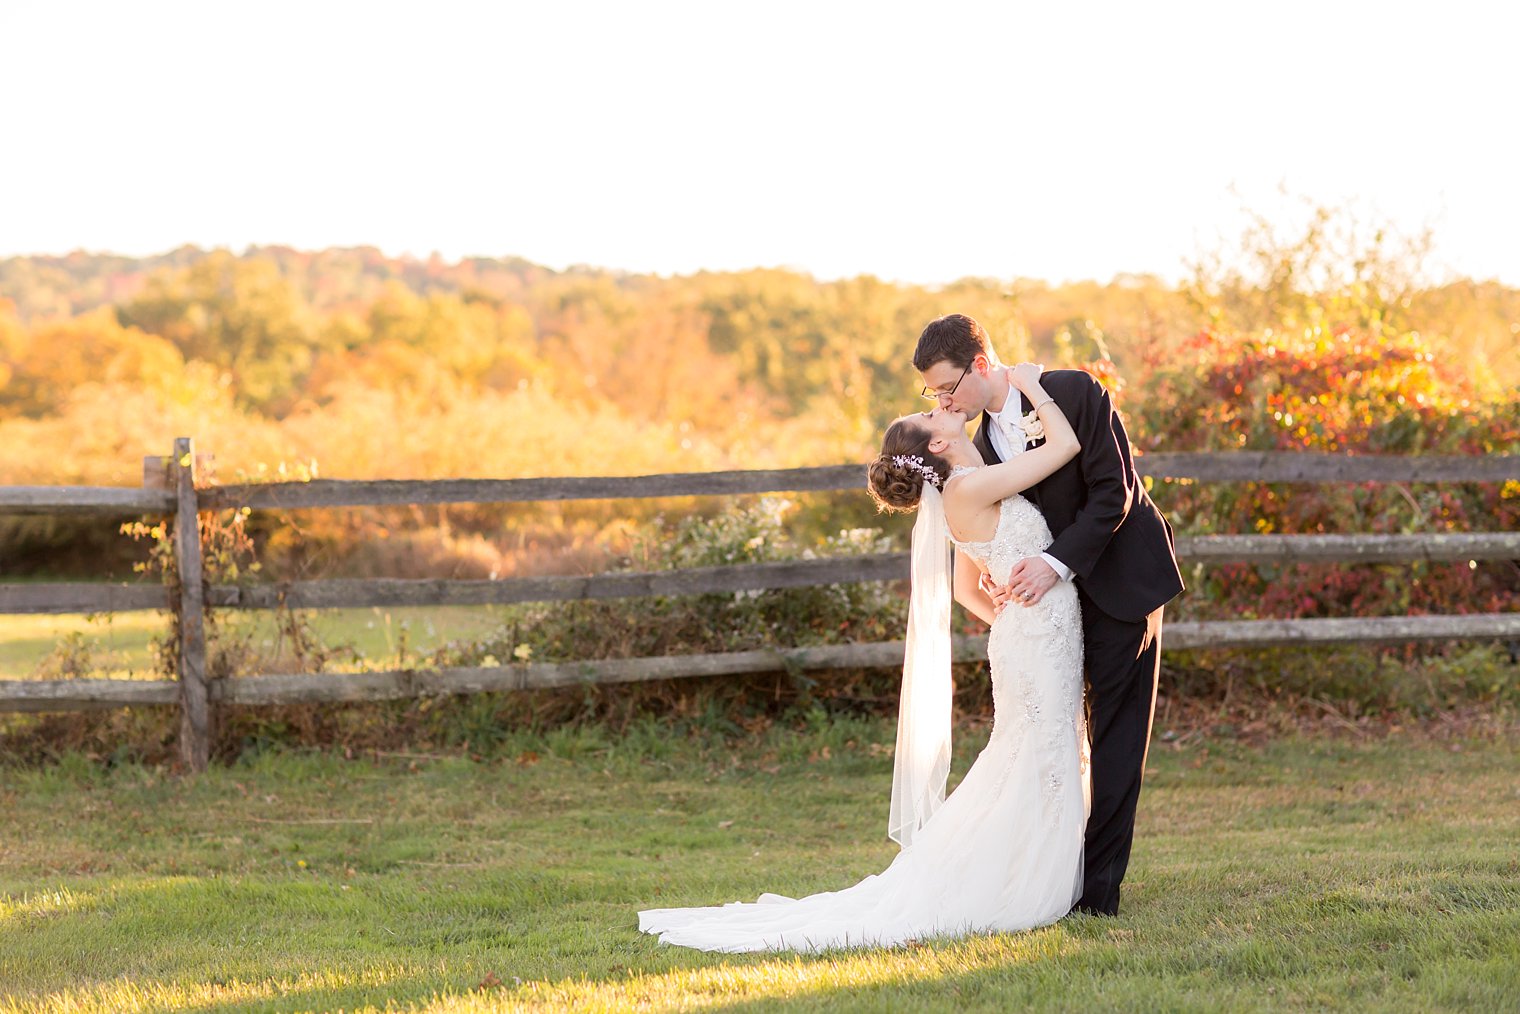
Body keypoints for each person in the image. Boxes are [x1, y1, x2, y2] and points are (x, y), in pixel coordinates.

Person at [639, 364, 1089, 952]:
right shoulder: (967, 489)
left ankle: (1038, 862)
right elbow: (1068, 446)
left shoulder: (971, 479)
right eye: (930, 414)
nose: (939, 408)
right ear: (937, 441)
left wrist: (1007, 609)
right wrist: (1032, 384)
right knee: (1041, 749)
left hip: (1032, 634)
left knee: (1038, 748)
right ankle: (1030, 878)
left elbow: (964, 591)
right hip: (1035, 639)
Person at [914, 313, 1183, 917]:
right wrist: (996, 564)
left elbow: (1116, 492)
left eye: (947, 387)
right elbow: (1006, 523)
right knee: (1060, 739)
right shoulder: (979, 446)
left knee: (1113, 738)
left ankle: (1098, 895)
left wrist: (1054, 564)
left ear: (980, 365)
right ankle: (1051, 874)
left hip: (1119, 584)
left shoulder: (1072, 392)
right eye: (932, 394)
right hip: (1049, 613)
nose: (942, 400)